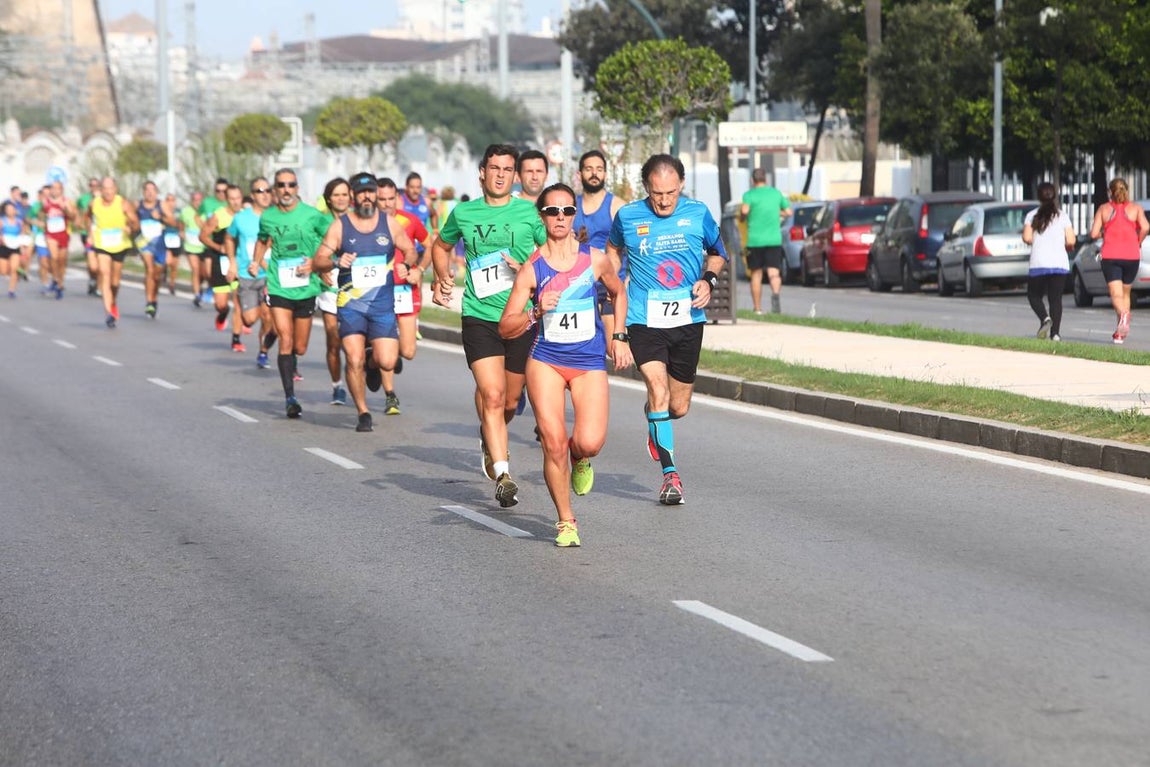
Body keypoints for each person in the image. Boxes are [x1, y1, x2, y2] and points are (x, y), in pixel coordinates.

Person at [498, 183, 630, 546]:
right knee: (553, 442)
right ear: (542, 217)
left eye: (567, 210)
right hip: (547, 361)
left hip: (588, 360)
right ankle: (566, 520)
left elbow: (619, 292)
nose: (560, 217)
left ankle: (580, 457)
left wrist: (619, 335)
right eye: (552, 211)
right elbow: (506, 326)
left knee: (590, 441)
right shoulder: (532, 268)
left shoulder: (594, 259)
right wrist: (535, 311)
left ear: (575, 216)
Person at [605, 154, 728, 505]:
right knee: (658, 390)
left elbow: (718, 252)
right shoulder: (628, 216)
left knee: (678, 407)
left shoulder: (698, 213)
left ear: (682, 185)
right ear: (647, 187)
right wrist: (614, 282)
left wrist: (708, 279)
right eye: (657, 193)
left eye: (671, 193)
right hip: (644, 319)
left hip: (687, 319)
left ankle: (655, 418)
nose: (663, 201)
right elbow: (612, 249)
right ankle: (670, 477)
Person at [432, 143, 547, 507]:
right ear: (482, 172)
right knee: (493, 395)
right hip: (479, 315)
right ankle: (503, 474)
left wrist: (527, 269)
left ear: (515, 176)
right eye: (494, 168)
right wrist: (441, 276)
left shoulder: (529, 213)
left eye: (507, 169)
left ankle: (488, 433)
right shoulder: (464, 213)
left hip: (520, 317)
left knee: (510, 401)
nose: (500, 175)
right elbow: (440, 246)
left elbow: (552, 254)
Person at [313, 172, 415, 433]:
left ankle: (373, 362)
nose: (367, 197)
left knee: (388, 361)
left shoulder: (389, 224)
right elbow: (318, 260)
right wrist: (336, 261)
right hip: (351, 306)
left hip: (382, 306)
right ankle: (363, 412)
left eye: (370, 191)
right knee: (353, 358)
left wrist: (406, 264)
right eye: (361, 193)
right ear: (354, 197)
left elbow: (410, 249)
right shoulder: (340, 226)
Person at [251, 168, 327, 418]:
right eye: (281, 185)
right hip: (279, 284)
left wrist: (318, 263)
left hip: (306, 286)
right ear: (275, 189)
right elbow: (262, 240)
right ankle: (290, 398)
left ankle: (292, 357)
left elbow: (332, 239)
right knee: (285, 338)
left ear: (297, 188)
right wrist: (255, 262)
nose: (286, 190)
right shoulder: (268, 217)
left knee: (300, 347)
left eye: (291, 185)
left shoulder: (312, 215)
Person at [377, 176, 431, 415]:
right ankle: (390, 395)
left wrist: (419, 270)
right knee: (386, 344)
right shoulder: (367, 223)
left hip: (405, 291)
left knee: (407, 352)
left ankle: (374, 358)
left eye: (391, 199)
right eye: (382, 199)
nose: (386, 204)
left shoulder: (409, 220)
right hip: (378, 293)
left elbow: (430, 245)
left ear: (397, 198)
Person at [574, 149, 626, 339]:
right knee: (583, 347)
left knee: (614, 347)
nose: (594, 173)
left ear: (605, 173)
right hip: (580, 288)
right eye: (589, 169)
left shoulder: (618, 206)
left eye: (599, 169)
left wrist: (626, 282)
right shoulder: (571, 207)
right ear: (579, 174)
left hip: (610, 287)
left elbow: (631, 248)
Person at [1090, 178, 1149, 344]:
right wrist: (1138, 240)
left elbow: (1093, 234)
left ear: (1110, 191)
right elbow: (1145, 227)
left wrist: (1105, 233)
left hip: (1111, 256)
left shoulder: (1104, 209)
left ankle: (1124, 316)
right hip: (1132, 256)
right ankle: (1120, 333)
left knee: (1115, 294)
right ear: (1127, 190)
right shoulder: (1136, 208)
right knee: (1125, 294)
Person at [226, 178, 276, 365]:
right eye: (260, 191)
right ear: (253, 195)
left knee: (268, 316)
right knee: (249, 320)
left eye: (268, 190)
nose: (265, 194)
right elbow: (229, 238)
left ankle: (263, 352)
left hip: (271, 276)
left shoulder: (276, 216)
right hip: (247, 274)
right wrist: (232, 263)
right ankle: (250, 319)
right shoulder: (241, 218)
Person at [1022, 182, 1076, 342]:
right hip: (1059, 263)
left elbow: (1027, 237)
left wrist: (1037, 241)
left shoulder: (1032, 215)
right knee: (1055, 299)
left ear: (1038, 197)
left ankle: (1044, 318)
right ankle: (1055, 334)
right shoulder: (1062, 216)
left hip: (1039, 262)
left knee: (1033, 295)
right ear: (1054, 196)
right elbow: (1071, 240)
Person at [86, 176, 139, 328]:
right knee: (104, 273)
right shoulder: (94, 203)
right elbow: (87, 217)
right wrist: (90, 233)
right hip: (102, 244)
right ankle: (109, 313)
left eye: (111, 189)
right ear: (100, 190)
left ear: (115, 189)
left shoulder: (123, 203)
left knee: (115, 283)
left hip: (120, 245)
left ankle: (113, 301)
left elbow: (136, 223)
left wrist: (130, 228)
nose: (108, 192)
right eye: (105, 189)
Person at [317, 177, 352, 405]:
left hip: (355, 288)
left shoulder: (359, 220)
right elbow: (314, 252)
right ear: (329, 199)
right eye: (336, 195)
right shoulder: (320, 221)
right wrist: (321, 268)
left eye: (344, 194)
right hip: (329, 286)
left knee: (355, 340)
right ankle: (337, 385)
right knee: (334, 339)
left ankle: (358, 373)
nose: (340, 199)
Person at [739, 167, 790, 314]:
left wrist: (743, 217)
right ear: (765, 179)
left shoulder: (749, 195)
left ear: (752, 180)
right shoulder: (776, 193)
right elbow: (788, 211)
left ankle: (757, 308)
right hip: (774, 240)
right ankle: (776, 295)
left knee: (756, 274)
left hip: (754, 241)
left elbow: (744, 211)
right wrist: (776, 212)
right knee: (774, 272)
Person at [199, 184, 243, 339]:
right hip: (221, 262)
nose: (236, 202)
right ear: (227, 199)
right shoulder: (218, 215)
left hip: (239, 262)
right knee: (221, 304)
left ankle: (236, 339)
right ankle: (223, 313)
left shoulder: (245, 215)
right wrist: (219, 247)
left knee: (239, 302)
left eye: (238, 198)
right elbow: (203, 236)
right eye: (232, 199)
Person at [136, 180, 172, 317]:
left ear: (156, 192)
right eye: (147, 190)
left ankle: (154, 298)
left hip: (159, 245)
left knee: (156, 275)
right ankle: (149, 302)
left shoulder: (162, 205)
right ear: (143, 192)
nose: (150, 193)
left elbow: (173, 222)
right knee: (149, 270)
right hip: (144, 243)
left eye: (152, 190)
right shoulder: (138, 205)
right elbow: (131, 221)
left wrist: (161, 217)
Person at [37, 180, 76, 300]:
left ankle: (60, 283)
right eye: (53, 188)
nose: (54, 190)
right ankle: (55, 278)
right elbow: (41, 214)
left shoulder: (67, 201)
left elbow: (73, 217)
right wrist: (42, 221)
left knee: (62, 260)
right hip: (50, 234)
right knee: (53, 257)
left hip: (63, 234)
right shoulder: (45, 202)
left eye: (57, 188)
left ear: (61, 190)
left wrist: (65, 209)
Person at [179, 191, 208, 305]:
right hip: (190, 245)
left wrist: (200, 222)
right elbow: (181, 223)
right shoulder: (185, 211)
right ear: (191, 201)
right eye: (195, 200)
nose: (197, 203)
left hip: (204, 246)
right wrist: (181, 231)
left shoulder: (206, 211)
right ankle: (197, 294)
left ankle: (199, 286)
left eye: (199, 200)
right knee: (195, 269)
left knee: (204, 273)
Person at [76, 177, 100, 296]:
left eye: (96, 185)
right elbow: (79, 212)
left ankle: (99, 285)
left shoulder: (104, 198)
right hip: (87, 233)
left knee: (101, 259)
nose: (94, 187)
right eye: (91, 185)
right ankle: (92, 278)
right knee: (91, 261)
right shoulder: (83, 199)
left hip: (102, 235)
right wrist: (79, 221)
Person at [0, 201, 24, 298]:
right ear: (5, 211)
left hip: (15, 246)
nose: (10, 211)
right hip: (4, 247)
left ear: (15, 211)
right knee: (4, 271)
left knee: (14, 269)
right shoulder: (2, 221)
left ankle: (11, 290)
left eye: (12, 209)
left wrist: (22, 246)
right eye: (8, 209)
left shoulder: (19, 222)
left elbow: (21, 234)